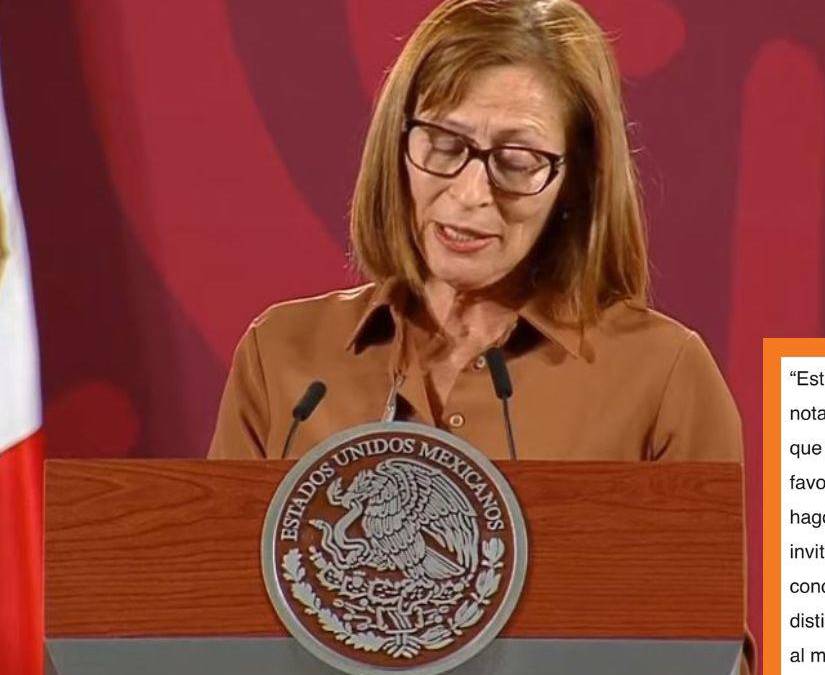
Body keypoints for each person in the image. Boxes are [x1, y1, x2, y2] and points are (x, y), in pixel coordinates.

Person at [208, 0, 751, 669]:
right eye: (444, 144)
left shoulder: (662, 376)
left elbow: (710, 657)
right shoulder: (284, 357)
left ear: (575, 180)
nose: (470, 194)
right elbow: (210, 625)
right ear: (398, 145)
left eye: (516, 161)